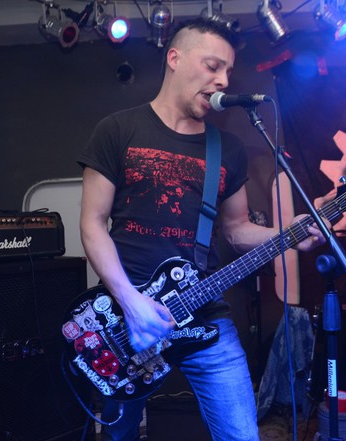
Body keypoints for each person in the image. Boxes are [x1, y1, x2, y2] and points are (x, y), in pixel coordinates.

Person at [77, 17, 325, 441]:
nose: (223, 80)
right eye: (213, 66)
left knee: (242, 435)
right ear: (174, 58)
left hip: (204, 312)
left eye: (228, 71)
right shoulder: (117, 130)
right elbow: (92, 223)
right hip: (124, 317)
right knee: (119, 435)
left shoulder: (226, 148)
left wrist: (288, 233)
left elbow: (236, 230)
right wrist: (131, 302)